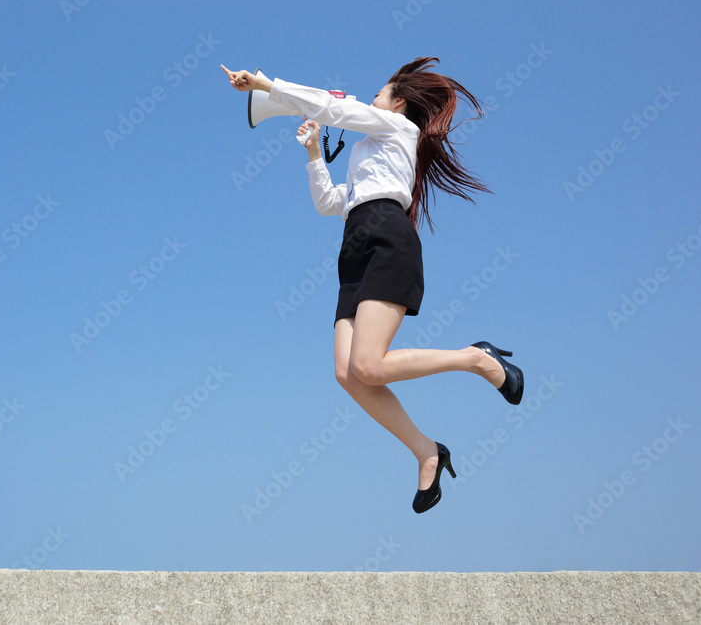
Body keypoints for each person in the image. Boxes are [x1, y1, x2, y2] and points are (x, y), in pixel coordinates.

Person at [220, 59, 523, 513]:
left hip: (387, 240)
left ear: (397, 102)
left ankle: (475, 359)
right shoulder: (370, 151)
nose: (372, 98)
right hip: (355, 250)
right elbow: (329, 203)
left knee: (370, 365)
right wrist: (314, 155)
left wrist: (266, 83)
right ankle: (427, 452)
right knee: (348, 375)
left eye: (378, 93)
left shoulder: (396, 127)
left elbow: (335, 110)